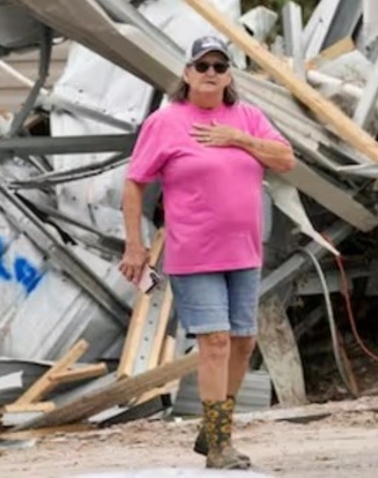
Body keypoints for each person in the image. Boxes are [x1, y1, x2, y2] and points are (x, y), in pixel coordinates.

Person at [120, 35, 295, 470]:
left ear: (230, 74)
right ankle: (220, 444)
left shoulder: (248, 118)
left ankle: (214, 427)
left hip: (245, 251)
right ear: (186, 73)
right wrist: (135, 245)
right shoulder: (166, 122)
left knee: (243, 341)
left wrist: (237, 138)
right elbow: (135, 182)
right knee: (214, 341)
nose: (211, 73)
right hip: (194, 252)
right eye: (202, 66)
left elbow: (286, 159)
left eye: (220, 66)